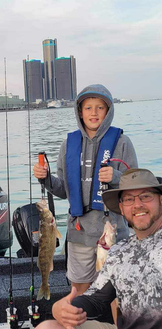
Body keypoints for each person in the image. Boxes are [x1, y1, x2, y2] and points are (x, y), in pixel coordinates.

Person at [31, 168, 162, 329]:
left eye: (146, 196)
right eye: (129, 199)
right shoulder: (119, 251)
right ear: (121, 208)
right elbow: (96, 299)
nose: (137, 204)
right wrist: (64, 308)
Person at [33, 84, 138, 294]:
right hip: (79, 233)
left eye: (100, 107)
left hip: (112, 233)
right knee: (79, 290)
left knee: (116, 291)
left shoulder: (123, 143)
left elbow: (136, 185)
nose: (94, 113)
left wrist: (116, 177)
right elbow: (63, 190)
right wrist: (46, 179)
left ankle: (113, 327)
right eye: (88, 107)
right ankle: (84, 327)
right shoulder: (68, 145)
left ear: (108, 112)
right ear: (80, 112)